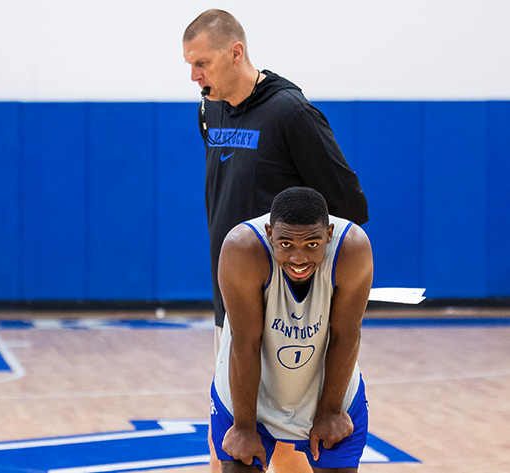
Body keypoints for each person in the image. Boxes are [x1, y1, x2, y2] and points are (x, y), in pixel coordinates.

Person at [182, 10, 369, 471]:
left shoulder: (290, 112)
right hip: (232, 296)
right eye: (189, 65)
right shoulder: (210, 108)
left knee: (289, 441)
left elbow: (350, 208)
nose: (194, 75)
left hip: (290, 306)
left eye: (201, 62)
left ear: (236, 53)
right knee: (230, 435)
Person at [211, 187, 372, 472]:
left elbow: (346, 335)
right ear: (270, 233)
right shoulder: (242, 248)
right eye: (286, 244)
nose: (298, 258)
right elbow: (245, 341)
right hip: (250, 394)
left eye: (312, 244)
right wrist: (244, 427)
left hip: (327, 388)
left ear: (330, 234)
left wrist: (331, 410)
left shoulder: (352, 247)